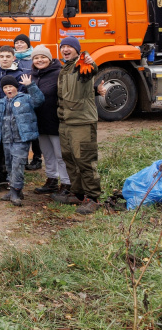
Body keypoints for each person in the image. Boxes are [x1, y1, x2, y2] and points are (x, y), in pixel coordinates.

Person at [53, 37, 105, 214]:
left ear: (77, 50)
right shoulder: (64, 68)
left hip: (82, 121)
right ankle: (78, 194)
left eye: (69, 47)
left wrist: (91, 62)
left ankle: (93, 198)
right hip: (65, 121)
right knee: (70, 158)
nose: (65, 50)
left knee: (85, 160)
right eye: (63, 47)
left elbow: (90, 70)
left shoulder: (81, 63)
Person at [0, 75, 44, 206]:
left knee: (18, 165)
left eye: (11, 86)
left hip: (21, 139)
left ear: (16, 87)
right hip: (6, 140)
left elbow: (39, 100)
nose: (9, 89)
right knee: (9, 165)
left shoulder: (26, 99)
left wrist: (30, 86)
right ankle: (14, 189)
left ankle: (15, 191)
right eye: (5, 87)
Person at [28, 45, 68, 196]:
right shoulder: (32, 76)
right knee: (47, 153)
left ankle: (66, 183)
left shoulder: (59, 73)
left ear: (50, 59)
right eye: (36, 58)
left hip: (56, 120)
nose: (40, 60)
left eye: (43, 57)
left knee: (60, 154)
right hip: (39, 122)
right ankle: (51, 180)